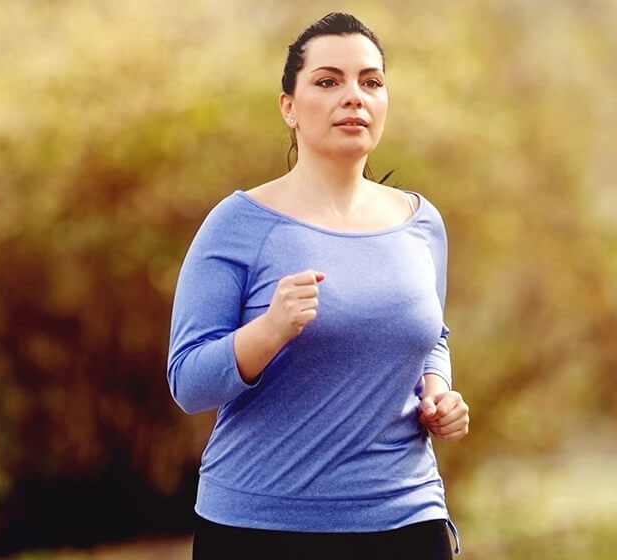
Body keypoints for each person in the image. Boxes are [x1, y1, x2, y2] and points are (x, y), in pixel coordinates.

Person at [166, 11, 469, 560]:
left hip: (406, 520)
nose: (353, 96)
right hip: (260, 527)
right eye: (328, 81)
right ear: (289, 107)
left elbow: (432, 337)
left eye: (370, 82)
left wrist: (438, 391)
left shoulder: (422, 224)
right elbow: (188, 383)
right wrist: (270, 330)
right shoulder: (238, 225)